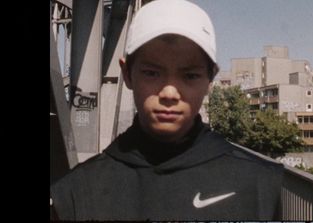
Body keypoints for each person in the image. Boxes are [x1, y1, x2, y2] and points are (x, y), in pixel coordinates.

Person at [50, 0, 284, 221]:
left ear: (210, 78)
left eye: (190, 75)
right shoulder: (74, 193)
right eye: (152, 73)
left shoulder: (261, 184)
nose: (170, 93)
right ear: (127, 73)